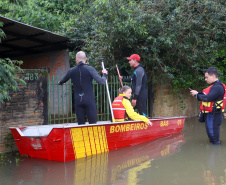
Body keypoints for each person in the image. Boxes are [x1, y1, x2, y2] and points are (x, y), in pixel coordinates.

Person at [58, 51, 108, 125]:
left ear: (77, 59)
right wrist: (104, 74)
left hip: (78, 101)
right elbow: (101, 82)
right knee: (93, 125)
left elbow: (62, 80)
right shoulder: (90, 69)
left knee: (81, 126)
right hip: (89, 100)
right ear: (86, 59)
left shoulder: (71, 71)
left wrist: (60, 82)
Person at [190, 67, 226, 145]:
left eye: (207, 77)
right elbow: (208, 96)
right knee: (212, 138)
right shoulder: (215, 86)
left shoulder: (217, 87)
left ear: (213, 76)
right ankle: (215, 153)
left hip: (214, 116)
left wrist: (196, 95)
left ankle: (216, 154)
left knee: (214, 139)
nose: (205, 79)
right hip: (212, 115)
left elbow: (208, 98)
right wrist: (197, 94)